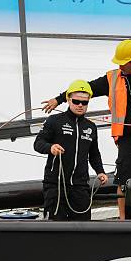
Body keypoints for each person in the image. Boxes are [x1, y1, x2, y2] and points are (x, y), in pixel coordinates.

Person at [42, 40, 131, 221]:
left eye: (122, 62)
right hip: (127, 138)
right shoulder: (113, 77)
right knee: (123, 180)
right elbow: (85, 88)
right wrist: (59, 99)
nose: (119, 65)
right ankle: (123, 220)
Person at [35, 80, 108, 221]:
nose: (80, 105)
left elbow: (94, 153)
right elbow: (38, 143)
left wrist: (100, 171)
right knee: (56, 229)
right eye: (76, 101)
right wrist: (50, 148)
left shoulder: (91, 127)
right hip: (56, 186)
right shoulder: (54, 121)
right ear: (68, 100)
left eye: (84, 103)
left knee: (83, 229)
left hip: (80, 186)